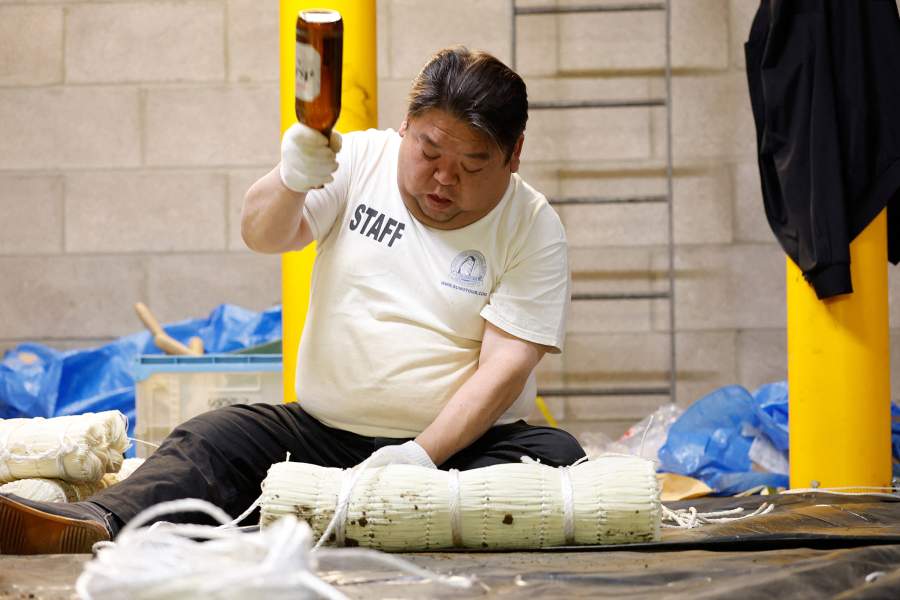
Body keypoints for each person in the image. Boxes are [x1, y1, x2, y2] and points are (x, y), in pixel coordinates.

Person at [0, 47, 585, 554]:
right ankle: (95, 523)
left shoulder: (532, 225)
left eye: (471, 165)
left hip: (458, 450)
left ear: (513, 155)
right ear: (406, 126)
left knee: (555, 456)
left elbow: (505, 368)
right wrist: (291, 176)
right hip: (323, 433)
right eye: (430, 152)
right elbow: (263, 234)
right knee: (210, 439)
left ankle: (338, 513)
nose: (443, 179)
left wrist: (420, 456)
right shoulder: (358, 160)